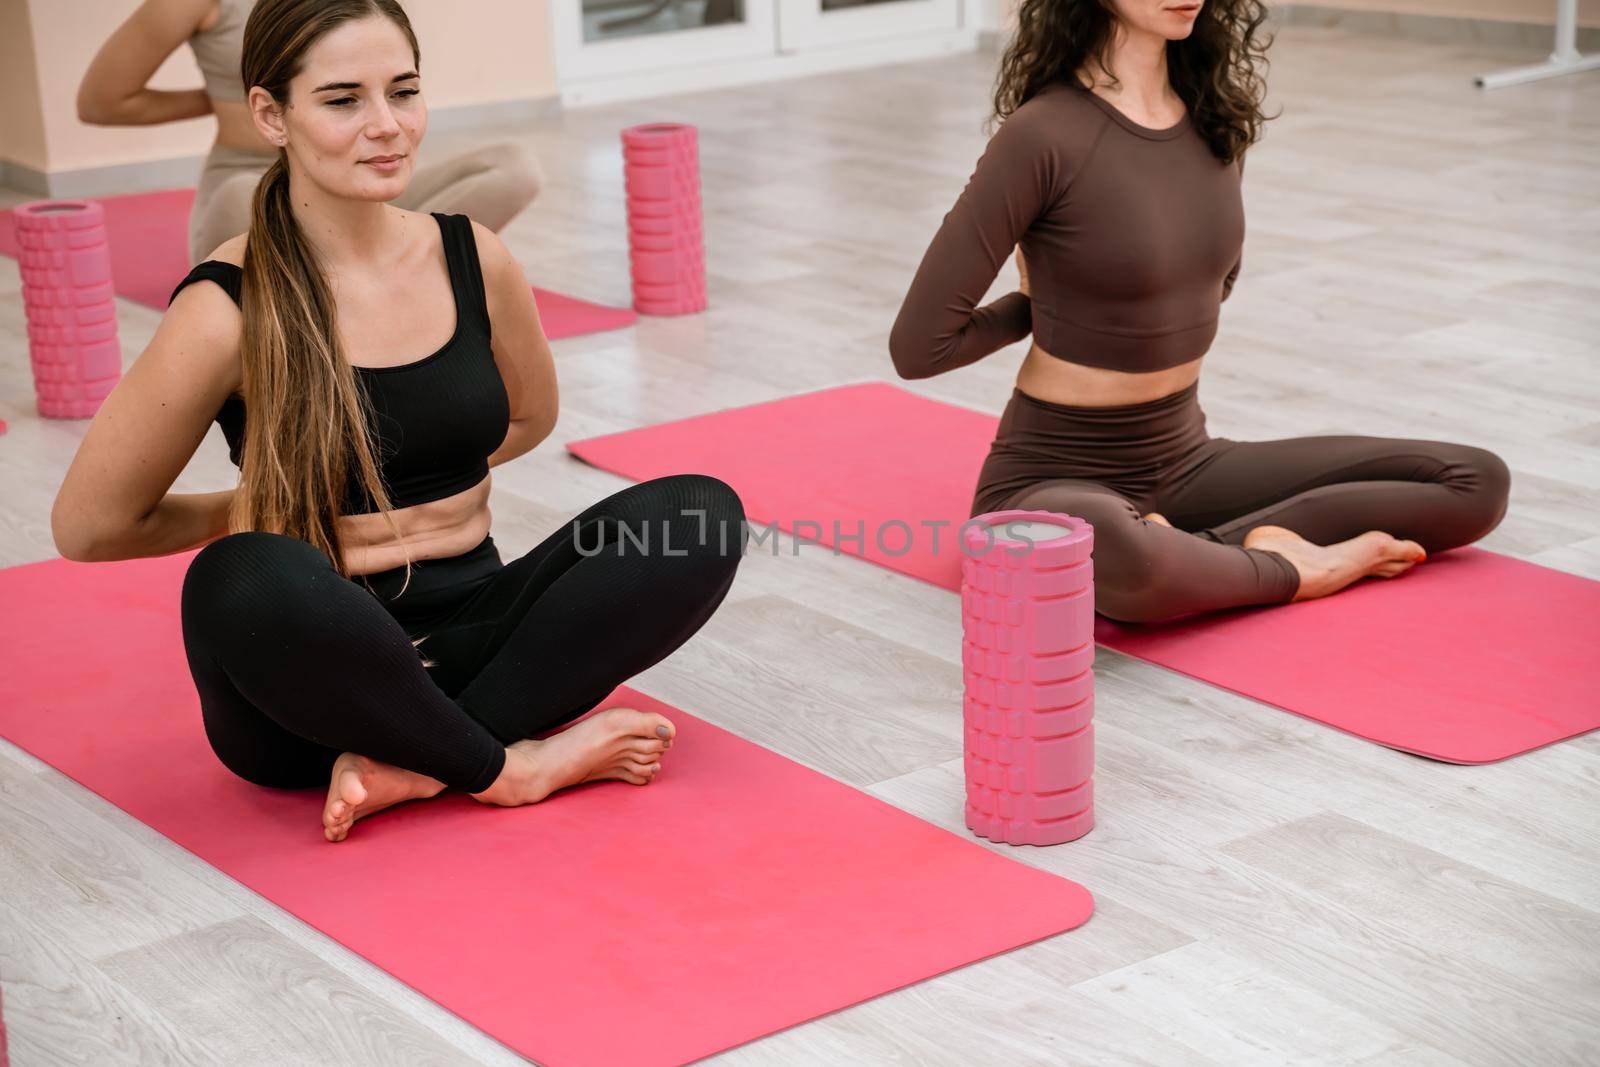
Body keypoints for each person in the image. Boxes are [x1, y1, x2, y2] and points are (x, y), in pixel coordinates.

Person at [52, 0, 746, 843]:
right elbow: (89, 526)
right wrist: (279, 508)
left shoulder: (473, 256)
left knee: (696, 517)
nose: (386, 127)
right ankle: (509, 766)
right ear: (272, 114)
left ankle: (417, 761)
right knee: (237, 575)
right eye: (343, 100)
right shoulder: (223, 304)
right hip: (312, 685)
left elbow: (529, 416)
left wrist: (422, 479)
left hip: (483, 632)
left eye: (403, 91)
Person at [889, 0, 1509, 624]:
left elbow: (1209, 285)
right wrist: (1035, 303)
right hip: (1054, 473)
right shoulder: (1042, 134)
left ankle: (1208, 555)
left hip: (1187, 456)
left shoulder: (1214, 116)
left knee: (1472, 481)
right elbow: (920, 348)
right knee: (1114, 543)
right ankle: (1294, 568)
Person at [77, 0, 543, 266]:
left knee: (513, 168)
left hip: (355, 181)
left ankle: (383, 267)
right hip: (250, 179)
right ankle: (369, 270)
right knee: (247, 195)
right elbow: (102, 102)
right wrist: (235, 98)